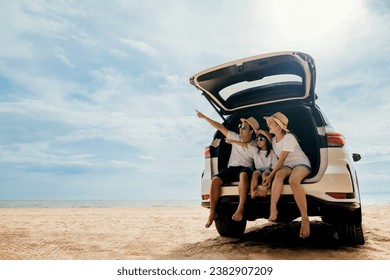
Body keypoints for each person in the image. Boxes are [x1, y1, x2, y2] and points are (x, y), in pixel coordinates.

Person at [196, 110, 259, 227]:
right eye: (240, 126)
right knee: (215, 180)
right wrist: (205, 117)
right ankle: (212, 213)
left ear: (251, 132)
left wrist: (233, 141)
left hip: (246, 169)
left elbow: (248, 147)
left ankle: (240, 208)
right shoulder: (236, 136)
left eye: (244, 128)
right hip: (232, 168)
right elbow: (220, 127)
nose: (240, 129)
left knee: (243, 175)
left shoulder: (255, 145)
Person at [261, 112, 312, 239]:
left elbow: (282, 159)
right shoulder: (273, 140)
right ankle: (273, 208)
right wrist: (269, 175)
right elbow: (280, 163)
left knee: (293, 181)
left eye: (271, 122)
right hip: (288, 166)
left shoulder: (289, 137)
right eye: (269, 122)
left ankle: (305, 219)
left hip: (301, 163)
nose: (269, 124)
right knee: (279, 175)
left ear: (279, 126)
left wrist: (270, 176)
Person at [227, 129, 276, 199]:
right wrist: (233, 141)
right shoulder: (255, 150)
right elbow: (245, 145)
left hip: (268, 170)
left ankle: (264, 192)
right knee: (255, 174)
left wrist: (271, 174)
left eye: (261, 139)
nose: (258, 141)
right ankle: (253, 192)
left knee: (265, 174)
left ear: (267, 141)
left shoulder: (271, 152)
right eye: (257, 140)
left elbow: (274, 166)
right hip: (258, 170)